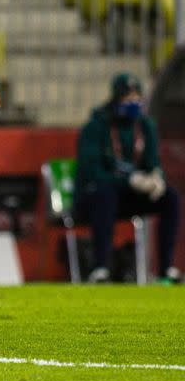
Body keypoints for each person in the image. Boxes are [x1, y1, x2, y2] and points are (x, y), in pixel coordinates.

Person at [74, 72, 181, 284]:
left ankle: (165, 269)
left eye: (136, 98)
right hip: (94, 197)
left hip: (129, 196)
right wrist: (129, 181)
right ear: (116, 99)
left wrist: (155, 177)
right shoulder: (97, 126)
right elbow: (92, 172)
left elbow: (152, 161)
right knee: (105, 196)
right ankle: (101, 269)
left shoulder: (144, 126)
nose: (133, 103)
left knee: (170, 198)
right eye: (127, 98)